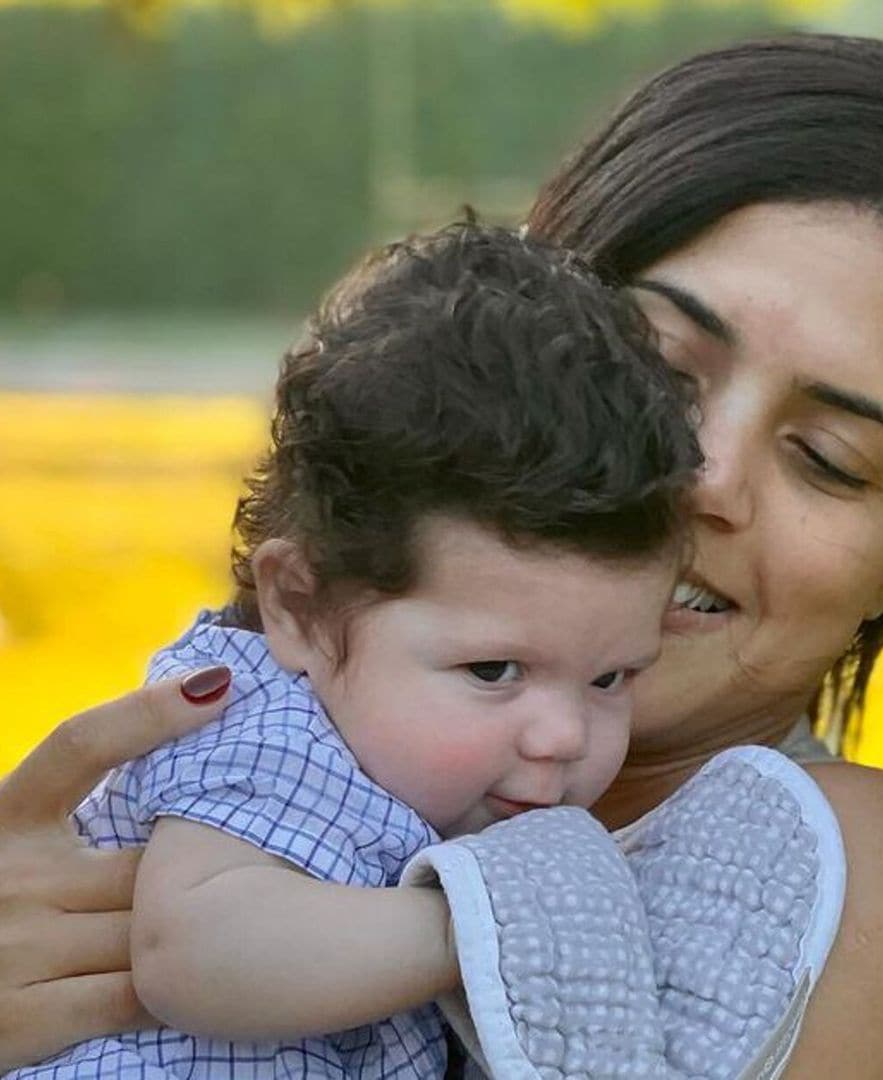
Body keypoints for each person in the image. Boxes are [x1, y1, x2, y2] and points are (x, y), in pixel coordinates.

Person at [0, 33, 883, 1079]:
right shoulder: (286, 745)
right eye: (656, 367)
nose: (703, 478)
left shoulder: (853, 882)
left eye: (828, 459)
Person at [2, 223, 698, 1078]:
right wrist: (494, 923)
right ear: (298, 603)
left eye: (609, 677)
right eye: (493, 671)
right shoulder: (264, 727)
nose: (562, 735)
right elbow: (197, 957)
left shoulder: (403, 759)